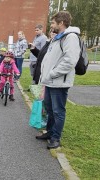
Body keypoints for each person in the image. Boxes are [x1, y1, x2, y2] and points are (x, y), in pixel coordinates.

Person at [38, 11, 80, 149]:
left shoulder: (71, 37)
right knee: (49, 108)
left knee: (58, 111)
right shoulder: (58, 37)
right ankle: (50, 132)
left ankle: (56, 137)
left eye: (53, 22)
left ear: (61, 23)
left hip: (59, 82)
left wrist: (52, 73)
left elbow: (70, 61)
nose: (51, 25)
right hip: (50, 81)